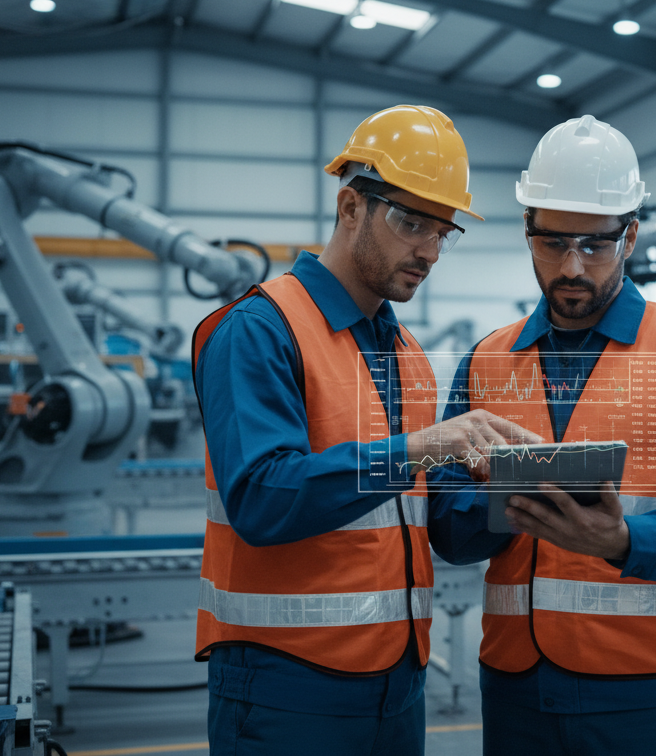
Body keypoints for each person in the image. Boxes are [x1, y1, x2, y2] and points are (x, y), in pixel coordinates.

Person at [193, 105, 541, 756]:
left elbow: (435, 530)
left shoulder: (406, 356)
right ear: (350, 207)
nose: (430, 252)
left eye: (444, 231)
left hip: (397, 684)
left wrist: (518, 495)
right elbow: (263, 499)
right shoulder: (259, 330)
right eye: (412, 222)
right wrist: (421, 448)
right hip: (285, 688)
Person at [429, 115, 656, 756]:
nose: (571, 267)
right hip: (515, 688)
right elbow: (446, 527)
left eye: (595, 245)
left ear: (631, 236)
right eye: (552, 243)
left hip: (647, 692)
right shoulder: (485, 361)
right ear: (527, 230)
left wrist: (623, 539)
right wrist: (505, 506)